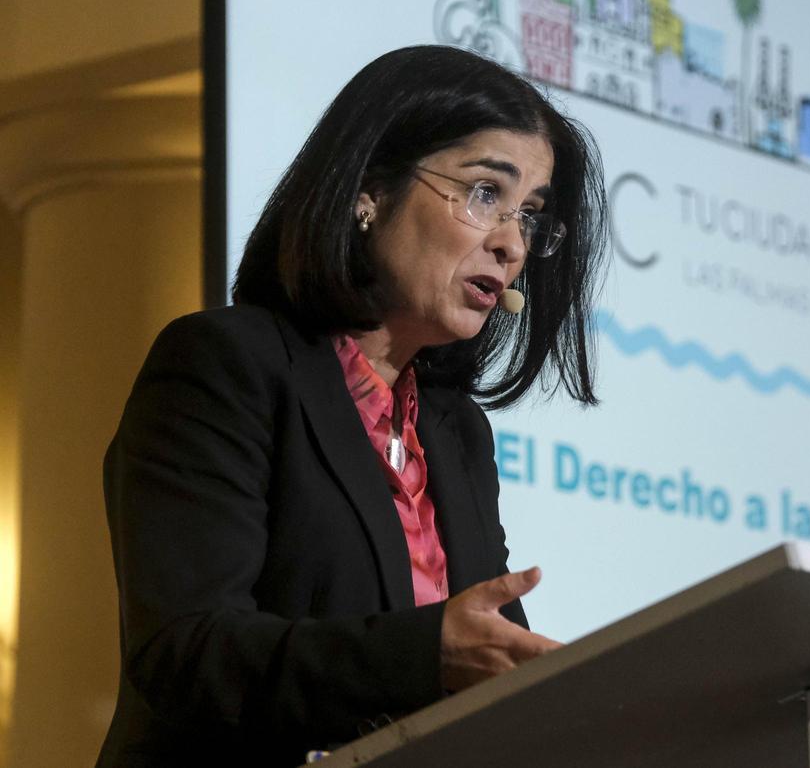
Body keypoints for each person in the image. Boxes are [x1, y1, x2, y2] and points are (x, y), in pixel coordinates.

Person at [97, 45, 608, 767]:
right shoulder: (225, 364)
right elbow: (187, 650)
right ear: (369, 190)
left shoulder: (454, 431)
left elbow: (495, 660)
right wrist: (424, 654)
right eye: (486, 194)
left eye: (528, 215)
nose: (511, 244)